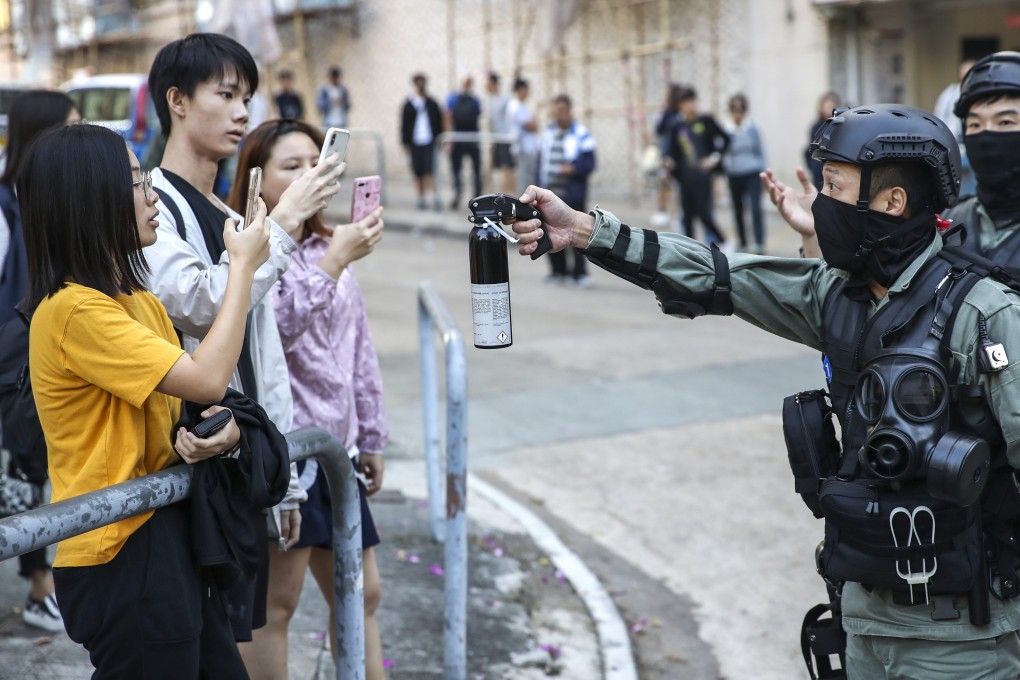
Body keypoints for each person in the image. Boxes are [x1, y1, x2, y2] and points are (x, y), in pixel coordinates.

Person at [513, 104, 1020, 679]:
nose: (821, 203)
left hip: (962, 641)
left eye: (834, 185)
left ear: (891, 202)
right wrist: (584, 231)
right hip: (864, 623)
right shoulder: (839, 295)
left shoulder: (985, 314)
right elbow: (721, 274)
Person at [22, 122, 272, 677]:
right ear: (92, 200)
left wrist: (222, 431)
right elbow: (207, 377)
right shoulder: (72, 312)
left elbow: (199, 398)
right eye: (138, 183)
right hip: (119, 549)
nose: (153, 196)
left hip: (163, 531)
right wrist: (243, 269)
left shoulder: (136, 299)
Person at [144, 32, 340, 655]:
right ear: (177, 100)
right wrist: (281, 226)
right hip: (189, 469)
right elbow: (202, 306)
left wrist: (283, 477)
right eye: (226, 94)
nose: (241, 113)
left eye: (246, 97)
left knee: (236, 643)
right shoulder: (150, 204)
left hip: (243, 459)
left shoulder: (228, 212)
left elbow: (264, 353)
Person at [228, 118, 388, 680]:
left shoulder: (328, 241)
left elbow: (359, 349)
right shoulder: (251, 250)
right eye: (291, 166)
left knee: (364, 592)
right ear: (258, 178)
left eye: (314, 163)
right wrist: (334, 263)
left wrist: (372, 435)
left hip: (338, 454)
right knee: (277, 605)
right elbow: (276, 330)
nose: (308, 174)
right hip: (291, 457)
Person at [0, 89, 78, 633]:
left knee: (36, 473)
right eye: (69, 127)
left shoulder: (50, 203)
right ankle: (40, 586)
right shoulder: (6, 211)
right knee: (25, 473)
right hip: (11, 367)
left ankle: (43, 585)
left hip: (40, 362)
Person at [537, 93, 596, 287]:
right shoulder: (549, 133)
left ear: (569, 110)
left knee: (577, 233)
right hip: (551, 193)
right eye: (557, 110)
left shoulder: (581, 133)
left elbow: (590, 162)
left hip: (572, 193)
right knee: (550, 233)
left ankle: (579, 273)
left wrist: (573, 168)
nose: (559, 114)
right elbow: (540, 161)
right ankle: (557, 271)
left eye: (563, 110)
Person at [665, 86, 731, 247]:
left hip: (702, 178)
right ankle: (691, 251)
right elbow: (672, 152)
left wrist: (714, 159)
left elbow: (726, 139)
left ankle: (725, 243)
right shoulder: (677, 127)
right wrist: (670, 163)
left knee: (705, 215)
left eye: (693, 101)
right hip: (685, 179)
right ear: (680, 105)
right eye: (686, 102)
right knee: (687, 218)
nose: (691, 105)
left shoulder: (705, 121)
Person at [722, 93, 766, 253]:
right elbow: (721, 151)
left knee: (755, 208)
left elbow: (760, 152)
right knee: (738, 209)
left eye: (740, 109)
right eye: (734, 109)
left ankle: (760, 242)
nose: (737, 113)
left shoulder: (752, 128)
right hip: (734, 174)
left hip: (752, 172)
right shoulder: (726, 130)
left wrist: (763, 175)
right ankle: (743, 241)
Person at [934, 59, 977, 198]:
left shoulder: (980, 93)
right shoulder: (950, 93)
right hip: (954, 145)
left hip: (972, 144)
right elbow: (939, 116)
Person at [400, 73, 443, 211]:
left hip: (429, 141)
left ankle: (434, 197)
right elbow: (404, 124)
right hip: (415, 142)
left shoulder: (431, 103)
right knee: (418, 171)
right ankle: (421, 198)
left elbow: (439, 121)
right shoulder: (409, 104)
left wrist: (440, 139)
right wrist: (404, 142)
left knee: (430, 170)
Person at [445, 75, 483, 210]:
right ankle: (478, 197)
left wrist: (449, 138)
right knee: (476, 169)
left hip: (458, 138)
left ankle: (458, 192)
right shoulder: (475, 100)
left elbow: (448, 116)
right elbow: (478, 115)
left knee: (456, 168)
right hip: (472, 138)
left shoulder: (453, 98)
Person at [650, 83, 682, 228]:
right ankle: (663, 211)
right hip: (666, 155)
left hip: (678, 155)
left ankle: (676, 214)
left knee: (676, 186)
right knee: (664, 182)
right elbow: (658, 129)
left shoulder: (680, 115)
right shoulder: (667, 114)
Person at [507, 77, 538, 198]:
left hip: (527, 147)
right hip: (522, 147)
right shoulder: (515, 106)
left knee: (527, 177)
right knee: (524, 179)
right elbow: (529, 126)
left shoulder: (520, 105)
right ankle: (521, 203)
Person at [485, 71, 515, 195]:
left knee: (506, 168)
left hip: (505, 138)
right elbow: (491, 121)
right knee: (499, 168)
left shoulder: (506, 98)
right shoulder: (491, 100)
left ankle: (507, 195)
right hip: (497, 138)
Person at [805, 91, 842, 190]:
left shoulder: (839, 126)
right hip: (818, 166)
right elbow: (809, 149)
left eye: (830, 106)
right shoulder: (815, 127)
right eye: (826, 106)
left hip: (835, 166)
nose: (827, 109)